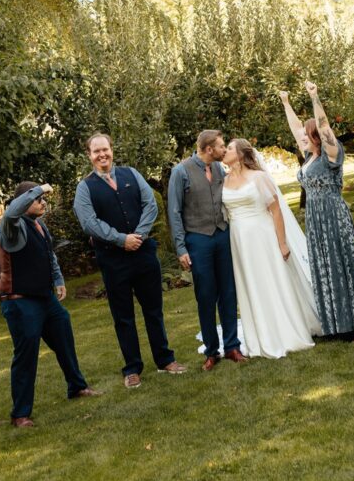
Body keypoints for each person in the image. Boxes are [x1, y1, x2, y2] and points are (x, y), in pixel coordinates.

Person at [73, 133, 186, 388]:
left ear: (112, 150)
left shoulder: (131, 174)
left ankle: (165, 359)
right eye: (96, 151)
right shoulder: (85, 188)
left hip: (144, 254)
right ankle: (132, 368)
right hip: (113, 260)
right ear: (89, 156)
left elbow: (150, 205)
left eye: (105, 149)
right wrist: (120, 239)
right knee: (123, 316)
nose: (102, 155)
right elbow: (89, 223)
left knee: (154, 310)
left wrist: (140, 235)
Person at [279, 86, 354, 340]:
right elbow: (295, 128)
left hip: (334, 215)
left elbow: (324, 128)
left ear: (317, 137)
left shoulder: (331, 155)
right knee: (324, 267)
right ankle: (336, 324)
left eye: (307, 134)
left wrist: (315, 97)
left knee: (342, 264)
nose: (301, 137)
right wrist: (285, 102)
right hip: (315, 219)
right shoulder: (308, 156)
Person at [0, 181, 101, 427]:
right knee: (26, 355)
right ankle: (20, 414)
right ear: (23, 202)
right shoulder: (11, 226)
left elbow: (49, 254)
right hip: (20, 301)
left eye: (43, 199)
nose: (43, 202)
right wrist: (39, 188)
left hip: (45, 299)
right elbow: (12, 211)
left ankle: (77, 387)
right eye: (37, 200)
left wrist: (58, 279)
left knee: (63, 335)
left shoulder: (38, 224)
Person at [222, 139, 321, 358]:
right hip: (239, 241)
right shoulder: (224, 180)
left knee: (272, 280)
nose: (224, 151)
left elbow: (276, 210)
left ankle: (287, 332)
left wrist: (282, 242)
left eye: (229, 148)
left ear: (240, 154)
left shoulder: (259, 177)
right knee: (251, 285)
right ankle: (260, 338)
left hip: (263, 236)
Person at [168, 130, 248, 371]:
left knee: (228, 291)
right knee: (205, 296)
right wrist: (181, 247)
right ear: (209, 149)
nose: (225, 150)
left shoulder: (219, 170)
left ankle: (232, 346)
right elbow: (174, 212)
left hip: (222, 236)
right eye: (222, 146)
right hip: (198, 240)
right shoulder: (180, 172)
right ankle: (212, 352)